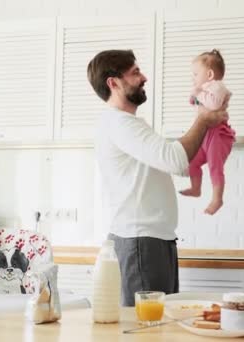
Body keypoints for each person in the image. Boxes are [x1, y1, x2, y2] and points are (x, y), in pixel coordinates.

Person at [88, 49, 228, 306]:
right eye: (135, 72)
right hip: (141, 243)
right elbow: (176, 160)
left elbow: (181, 163)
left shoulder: (126, 124)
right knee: (147, 329)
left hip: (151, 241)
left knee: (158, 326)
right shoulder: (120, 124)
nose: (144, 77)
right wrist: (203, 120)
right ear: (113, 82)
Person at [179, 49, 235, 215]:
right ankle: (196, 188)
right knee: (192, 162)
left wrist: (197, 93)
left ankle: (217, 199)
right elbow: (195, 102)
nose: (193, 78)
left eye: (196, 74)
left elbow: (213, 104)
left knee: (214, 166)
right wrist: (195, 96)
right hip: (206, 135)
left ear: (209, 75)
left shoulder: (217, 87)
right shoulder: (205, 89)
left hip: (219, 135)